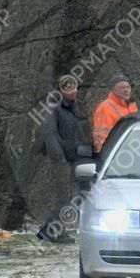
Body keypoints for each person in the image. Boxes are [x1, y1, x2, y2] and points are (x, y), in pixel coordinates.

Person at [34, 76, 93, 243]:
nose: (72, 91)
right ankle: (55, 231)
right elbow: (50, 135)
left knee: (71, 195)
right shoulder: (53, 108)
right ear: (60, 90)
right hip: (59, 159)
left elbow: (77, 134)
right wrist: (59, 159)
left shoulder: (75, 108)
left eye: (74, 87)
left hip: (73, 157)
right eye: (67, 88)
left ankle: (47, 230)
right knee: (63, 196)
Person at [92, 73, 138, 154]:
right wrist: (104, 155)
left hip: (134, 149)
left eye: (128, 87)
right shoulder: (105, 107)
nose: (126, 90)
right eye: (121, 88)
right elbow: (100, 137)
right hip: (117, 152)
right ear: (113, 90)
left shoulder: (132, 105)